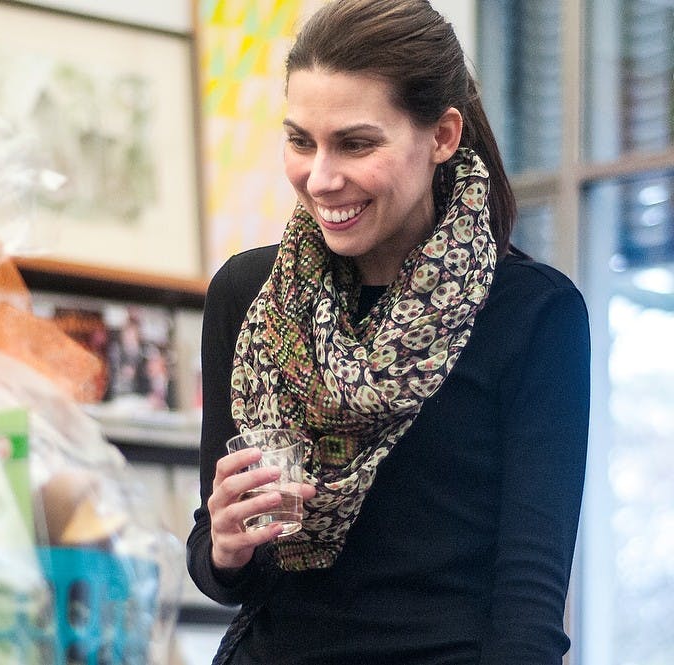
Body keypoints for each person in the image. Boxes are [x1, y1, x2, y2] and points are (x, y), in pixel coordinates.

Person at [186, 1, 591, 663]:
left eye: (356, 142)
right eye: (300, 140)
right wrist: (227, 547)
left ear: (443, 136)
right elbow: (222, 571)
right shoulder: (246, 295)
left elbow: (528, 617)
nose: (320, 178)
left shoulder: (533, 315)